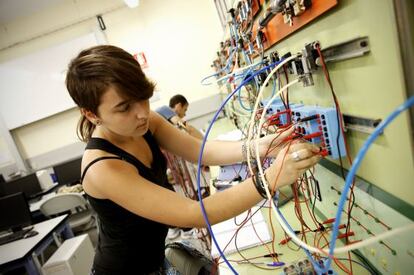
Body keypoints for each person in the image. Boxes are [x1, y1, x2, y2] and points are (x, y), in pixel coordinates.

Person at [65, 45, 321, 274]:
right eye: (124, 108)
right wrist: (269, 179)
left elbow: (202, 152)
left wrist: (262, 146)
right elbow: (192, 213)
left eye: (143, 98)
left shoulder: (145, 122)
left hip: (155, 259)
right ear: (91, 114)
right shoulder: (102, 168)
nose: (142, 112)